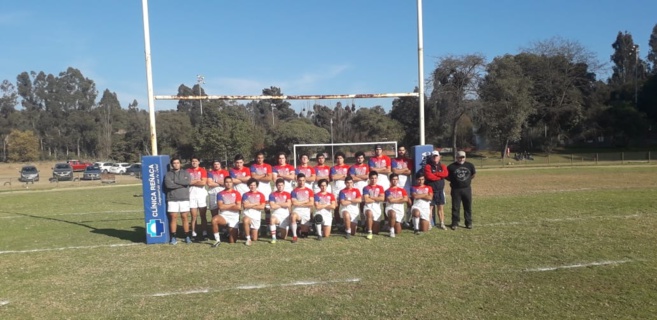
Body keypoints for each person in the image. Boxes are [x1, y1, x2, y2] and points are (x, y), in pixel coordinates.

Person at [164, 157, 192, 245]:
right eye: (174, 163)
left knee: (185, 217)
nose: (176, 164)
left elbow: (187, 182)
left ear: (180, 164)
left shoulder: (186, 172)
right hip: (172, 198)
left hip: (184, 198)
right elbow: (168, 185)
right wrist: (181, 184)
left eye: (178, 163)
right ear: (172, 165)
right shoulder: (168, 174)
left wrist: (175, 182)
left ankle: (187, 236)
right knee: (173, 217)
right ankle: (173, 237)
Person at [447, 151, 476, 230]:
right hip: (456, 189)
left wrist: (466, 181)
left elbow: (473, 175)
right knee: (455, 207)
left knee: (467, 206)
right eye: (460, 157)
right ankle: (455, 223)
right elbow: (447, 176)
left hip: (466, 189)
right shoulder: (451, 167)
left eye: (463, 157)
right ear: (456, 157)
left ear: (465, 157)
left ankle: (468, 222)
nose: (461, 159)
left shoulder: (470, 165)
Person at [211, 176, 242, 246]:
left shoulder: (237, 193)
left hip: (234, 217)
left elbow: (238, 207)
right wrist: (232, 204)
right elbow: (220, 207)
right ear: (224, 183)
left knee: (232, 241)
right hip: (224, 215)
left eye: (230, 182)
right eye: (226, 182)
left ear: (232, 183)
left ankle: (233, 232)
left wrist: (226, 205)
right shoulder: (220, 193)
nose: (228, 184)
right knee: (214, 220)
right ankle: (217, 240)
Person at [424, 150, 448, 230]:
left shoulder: (443, 166)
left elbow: (445, 174)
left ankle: (442, 223)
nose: (435, 158)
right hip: (431, 191)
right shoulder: (428, 166)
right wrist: (439, 176)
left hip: (440, 190)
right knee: (430, 208)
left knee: (440, 207)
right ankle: (430, 224)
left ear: (439, 157)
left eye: (436, 156)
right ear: (431, 157)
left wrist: (435, 174)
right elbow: (429, 176)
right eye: (433, 156)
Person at [187, 156, 208, 241]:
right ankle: (194, 233)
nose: (194, 162)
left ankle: (204, 232)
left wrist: (193, 182)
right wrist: (197, 181)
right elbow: (187, 182)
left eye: (196, 161)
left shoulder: (202, 171)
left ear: (199, 162)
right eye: (193, 161)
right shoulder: (188, 171)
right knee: (193, 216)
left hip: (201, 195)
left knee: (203, 215)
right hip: (191, 195)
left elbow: (203, 182)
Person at [241, 178, 266, 245]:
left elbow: (262, 207)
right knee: (245, 220)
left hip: (256, 216)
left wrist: (250, 204)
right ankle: (248, 238)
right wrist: (256, 204)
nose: (252, 187)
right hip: (248, 214)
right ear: (248, 186)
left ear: (256, 186)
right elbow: (245, 206)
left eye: (254, 185)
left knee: (255, 239)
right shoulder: (245, 195)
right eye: (251, 185)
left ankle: (246, 232)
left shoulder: (261, 195)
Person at [290, 173, 314, 242]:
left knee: (304, 235)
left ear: (305, 180)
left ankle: (300, 228)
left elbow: (311, 203)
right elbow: (294, 203)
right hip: (297, 210)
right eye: (300, 180)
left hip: (306, 211)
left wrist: (299, 203)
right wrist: (306, 201)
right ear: (297, 180)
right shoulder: (294, 191)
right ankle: (294, 236)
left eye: (303, 180)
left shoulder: (309, 191)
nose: (301, 182)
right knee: (293, 216)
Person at [268, 178, 292, 244]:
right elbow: (272, 206)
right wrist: (283, 204)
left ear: (284, 185)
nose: (280, 187)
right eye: (278, 185)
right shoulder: (272, 194)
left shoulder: (288, 194)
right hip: (276, 214)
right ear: (276, 186)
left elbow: (288, 204)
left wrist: (277, 203)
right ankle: (273, 238)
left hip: (285, 215)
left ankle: (278, 232)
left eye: (281, 185)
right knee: (272, 220)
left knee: (284, 237)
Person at [362, 171, 385, 240]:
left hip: (377, 208)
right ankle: (369, 232)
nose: (374, 180)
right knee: (369, 213)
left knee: (376, 231)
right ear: (369, 178)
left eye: (375, 178)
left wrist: (371, 198)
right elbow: (366, 200)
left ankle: (368, 227)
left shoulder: (380, 187)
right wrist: (377, 198)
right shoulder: (366, 188)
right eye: (372, 178)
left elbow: (382, 198)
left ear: (377, 179)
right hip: (368, 207)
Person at [384, 173, 408, 238]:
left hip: (399, 210)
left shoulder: (402, 190)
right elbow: (390, 201)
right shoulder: (387, 191)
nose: (395, 181)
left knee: (398, 231)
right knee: (392, 214)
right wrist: (400, 198)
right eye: (393, 179)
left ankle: (392, 223)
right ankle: (391, 230)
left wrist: (394, 199)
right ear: (390, 180)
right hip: (390, 208)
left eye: (396, 179)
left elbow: (406, 199)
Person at [330, 152, 350, 224]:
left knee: (346, 205)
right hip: (336, 189)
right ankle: (338, 222)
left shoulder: (348, 167)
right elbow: (333, 177)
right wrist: (343, 176)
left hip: (345, 189)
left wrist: (338, 176)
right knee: (336, 206)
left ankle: (346, 221)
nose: (339, 160)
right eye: (337, 158)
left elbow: (349, 178)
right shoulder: (333, 168)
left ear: (343, 159)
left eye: (340, 158)